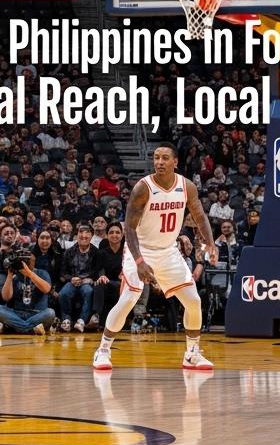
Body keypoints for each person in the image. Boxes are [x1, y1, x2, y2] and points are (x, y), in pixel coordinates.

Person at [93, 142, 218, 371]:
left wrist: (210, 243)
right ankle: (102, 350)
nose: (159, 162)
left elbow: (200, 216)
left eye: (165, 158)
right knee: (130, 297)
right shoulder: (143, 188)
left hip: (168, 251)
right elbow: (129, 229)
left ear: (175, 162)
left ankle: (192, 354)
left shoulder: (187, 186)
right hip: (140, 249)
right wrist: (140, 261)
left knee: (193, 301)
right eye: (156, 158)